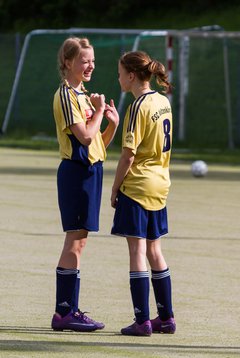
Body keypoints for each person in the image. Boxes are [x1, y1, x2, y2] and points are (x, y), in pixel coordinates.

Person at [51, 37, 119, 332]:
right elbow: (85, 138)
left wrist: (111, 125)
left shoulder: (83, 95)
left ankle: (69, 309)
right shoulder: (67, 95)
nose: (90, 65)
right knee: (75, 241)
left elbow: (97, 145)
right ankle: (64, 312)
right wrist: (101, 111)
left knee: (80, 240)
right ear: (67, 63)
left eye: (92, 60)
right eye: (84, 60)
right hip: (76, 173)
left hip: (91, 170)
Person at [110, 51, 176, 336]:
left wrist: (115, 188)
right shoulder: (163, 101)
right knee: (154, 249)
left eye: (120, 72)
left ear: (132, 75)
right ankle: (167, 318)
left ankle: (142, 321)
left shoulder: (137, 107)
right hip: (160, 184)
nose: (119, 78)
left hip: (137, 186)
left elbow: (128, 155)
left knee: (137, 251)